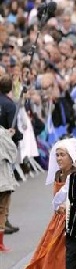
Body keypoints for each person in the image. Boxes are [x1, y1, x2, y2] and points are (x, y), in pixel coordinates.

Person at [17, 139, 76, 269]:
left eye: (63, 155)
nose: (59, 158)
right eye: (57, 155)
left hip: (71, 223)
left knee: (65, 268)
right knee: (50, 265)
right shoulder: (59, 175)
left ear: (72, 157)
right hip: (56, 224)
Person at [0, 74, 22, 239]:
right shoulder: (10, 105)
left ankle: (4, 220)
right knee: (6, 187)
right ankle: (3, 220)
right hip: (5, 148)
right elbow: (13, 128)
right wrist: (18, 136)